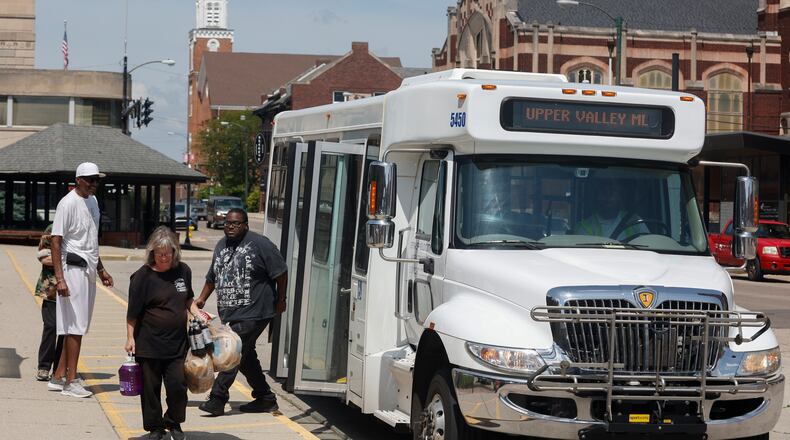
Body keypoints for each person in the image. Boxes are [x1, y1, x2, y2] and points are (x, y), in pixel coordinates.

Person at [195, 208, 288, 416]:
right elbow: (213, 277)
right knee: (245, 356)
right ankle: (265, 398)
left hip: (256, 310)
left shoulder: (260, 244)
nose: (230, 226)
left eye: (235, 223)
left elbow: (281, 272)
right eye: (228, 223)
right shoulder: (221, 245)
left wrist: (281, 299)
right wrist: (201, 299)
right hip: (232, 313)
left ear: (245, 224)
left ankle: (218, 398)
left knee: (232, 350)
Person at [126, 226, 200, 440]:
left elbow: (188, 298)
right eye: (160, 254)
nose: (164, 257)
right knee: (150, 389)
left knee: (178, 386)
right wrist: (130, 338)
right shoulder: (142, 277)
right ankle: (154, 428)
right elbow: (133, 313)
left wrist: (197, 314)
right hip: (149, 344)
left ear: (175, 253)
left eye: (168, 253)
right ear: (152, 253)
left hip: (177, 345)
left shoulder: (183, 271)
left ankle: (173, 421)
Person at [49, 162, 114, 398]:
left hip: (87, 268)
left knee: (75, 326)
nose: (94, 184)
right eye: (90, 180)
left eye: (97, 180)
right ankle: (71, 380)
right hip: (72, 269)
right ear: (78, 180)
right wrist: (60, 278)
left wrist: (101, 269)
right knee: (74, 326)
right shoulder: (67, 203)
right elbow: (55, 241)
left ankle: (58, 376)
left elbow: (91, 241)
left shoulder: (93, 201)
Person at [34, 224, 64, 382]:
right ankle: (44, 367)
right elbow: (44, 257)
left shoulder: (79, 230)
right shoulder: (53, 229)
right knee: (51, 327)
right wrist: (67, 260)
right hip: (51, 289)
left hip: (72, 290)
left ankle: (60, 367)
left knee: (67, 331)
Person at [575, 178, 649, 241]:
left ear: (619, 196)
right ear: (596, 196)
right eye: (604, 191)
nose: (608, 196)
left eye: (612, 191)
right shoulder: (585, 227)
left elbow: (648, 245)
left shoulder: (635, 221)